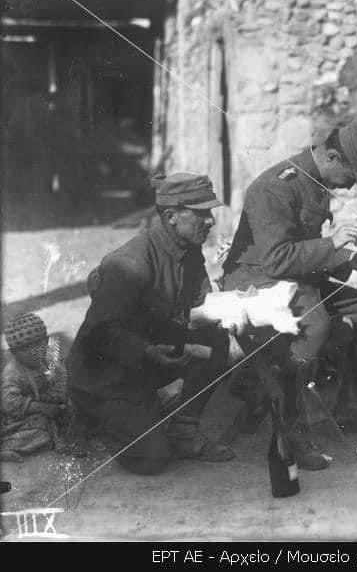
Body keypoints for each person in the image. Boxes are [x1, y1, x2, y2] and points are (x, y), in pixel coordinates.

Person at [220, 115, 357, 472]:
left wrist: (350, 262)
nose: (349, 187)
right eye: (350, 177)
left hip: (297, 274)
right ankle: (293, 428)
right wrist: (333, 245)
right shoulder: (276, 187)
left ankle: (348, 406)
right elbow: (277, 259)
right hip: (254, 278)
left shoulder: (314, 180)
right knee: (313, 324)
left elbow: (305, 247)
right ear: (332, 157)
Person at [66, 173, 234, 475]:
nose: (210, 221)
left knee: (216, 338)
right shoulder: (129, 263)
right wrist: (146, 351)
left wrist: (240, 305)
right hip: (104, 374)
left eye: (209, 212)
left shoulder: (188, 248)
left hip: (152, 356)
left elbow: (201, 306)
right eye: (200, 213)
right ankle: (91, 413)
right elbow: (101, 334)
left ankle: (183, 430)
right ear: (170, 216)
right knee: (151, 459)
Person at [1, 313, 69, 462]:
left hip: (51, 406)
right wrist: (42, 407)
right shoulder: (12, 373)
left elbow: (62, 382)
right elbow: (9, 403)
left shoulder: (50, 358)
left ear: (47, 341)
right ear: (13, 352)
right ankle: (6, 448)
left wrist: (53, 402)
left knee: (76, 408)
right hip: (20, 419)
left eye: (39, 344)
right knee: (41, 429)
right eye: (25, 348)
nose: (34, 352)